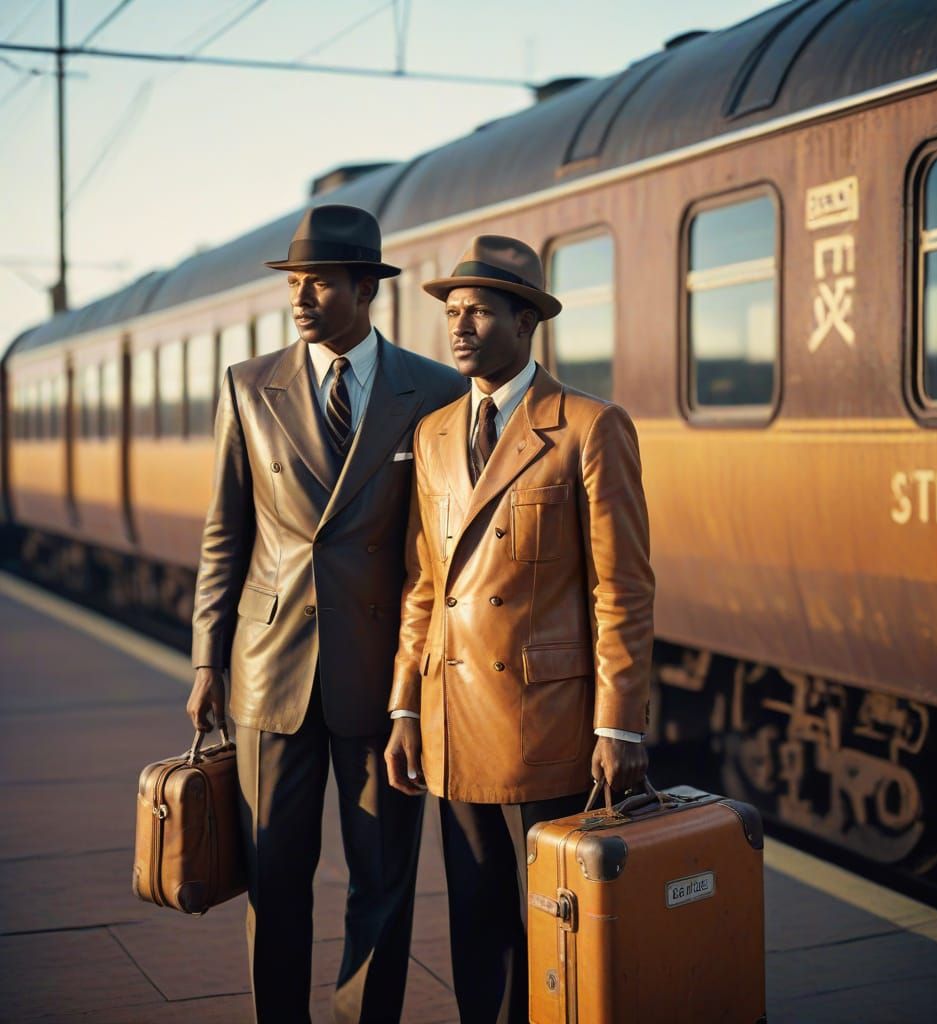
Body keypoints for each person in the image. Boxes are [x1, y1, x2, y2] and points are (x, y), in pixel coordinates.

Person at [186, 204, 467, 1024]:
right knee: (275, 875)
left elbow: (436, 549)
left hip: (385, 681)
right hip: (269, 670)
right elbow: (223, 537)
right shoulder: (248, 386)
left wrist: (419, 682)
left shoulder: (436, 390)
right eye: (295, 282)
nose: (301, 297)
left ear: (363, 289)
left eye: (319, 282)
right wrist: (207, 658)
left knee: (382, 882)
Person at [384, 235, 654, 1023]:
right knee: (476, 927)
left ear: (526, 321)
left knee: (553, 925)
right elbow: (424, 585)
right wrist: (405, 707)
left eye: (479, 311)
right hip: (452, 719)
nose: (459, 326)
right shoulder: (433, 435)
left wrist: (619, 723)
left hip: (548, 725)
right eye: (453, 312)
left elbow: (623, 589)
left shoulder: (588, 427)